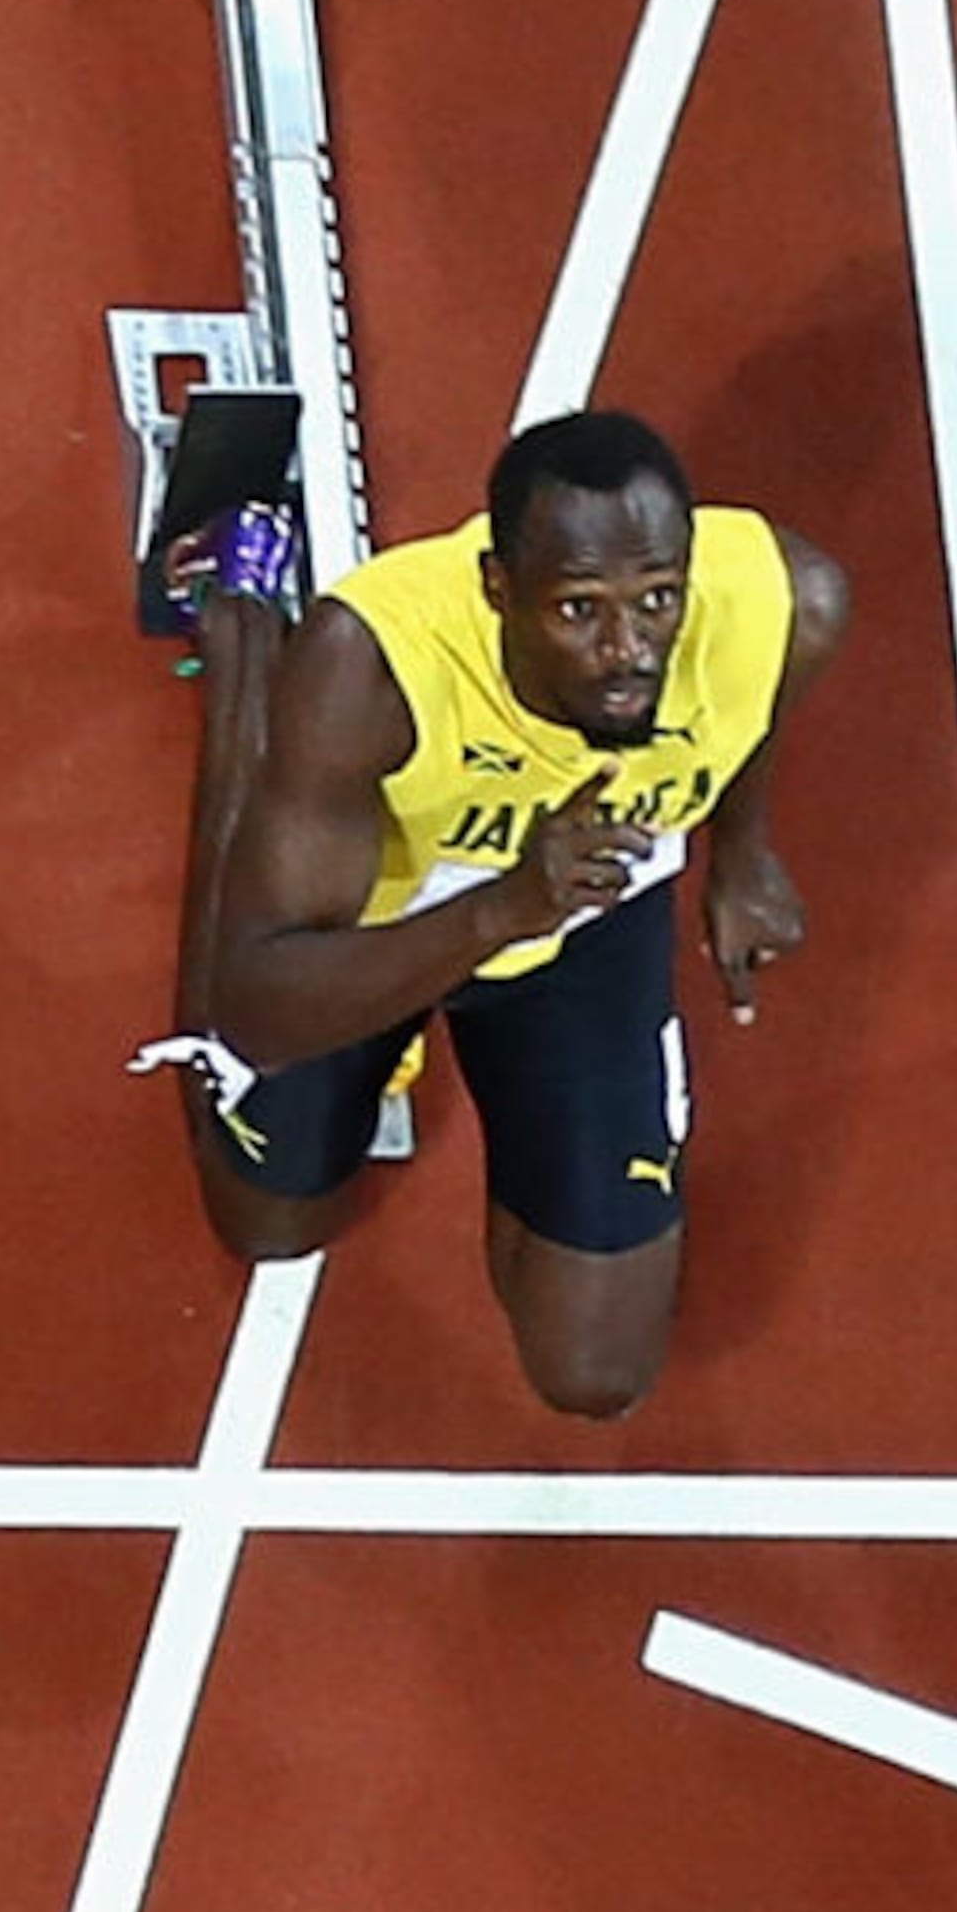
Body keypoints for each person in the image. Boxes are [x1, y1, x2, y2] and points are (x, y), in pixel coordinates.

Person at [136, 410, 847, 1416]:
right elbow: (259, 999)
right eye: (579, 610)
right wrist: (506, 906)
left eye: (657, 600)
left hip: (588, 898)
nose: (627, 650)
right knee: (267, 1223)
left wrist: (742, 849)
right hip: (388, 903)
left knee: (593, 1373)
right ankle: (241, 626)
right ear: (499, 588)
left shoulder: (791, 604)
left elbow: (748, 700)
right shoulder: (370, 664)